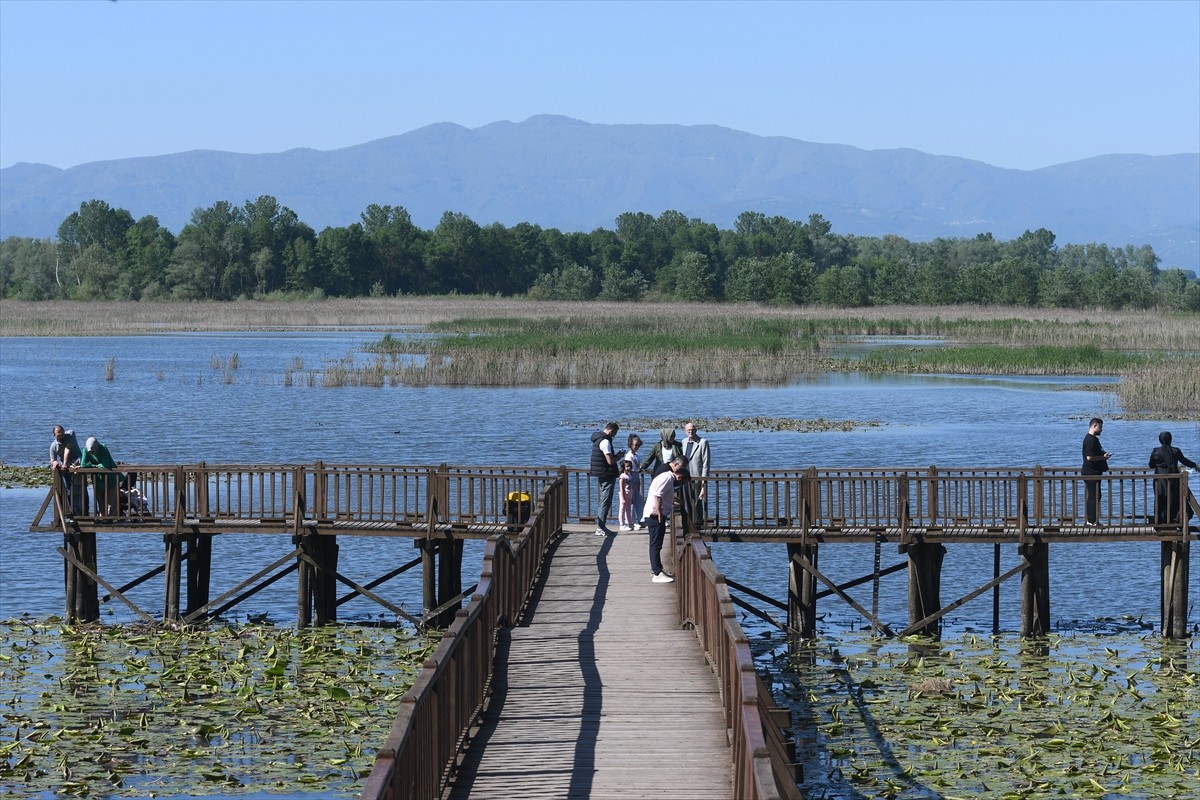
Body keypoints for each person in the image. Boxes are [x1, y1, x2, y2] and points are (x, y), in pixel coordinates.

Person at [644, 457, 689, 583]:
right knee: (656, 544)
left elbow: (663, 495)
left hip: (656, 514)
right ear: (679, 477)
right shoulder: (667, 478)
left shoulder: (667, 477)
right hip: (654, 515)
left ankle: (658, 569)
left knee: (657, 544)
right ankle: (657, 573)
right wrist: (659, 514)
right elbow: (657, 496)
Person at [1148, 431, 1197, 525]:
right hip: (1174, 479)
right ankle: (1174, 519)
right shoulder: (1175, 451)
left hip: (1159, 479)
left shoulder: (1155, 451)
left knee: (1160, 499)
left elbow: (1151, 465)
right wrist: (1195, 465)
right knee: (1174, 499)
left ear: (1160, 440)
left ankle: (1160, 520)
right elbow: (1185, 461)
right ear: (1170, 439)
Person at [590, 422, 620, 535]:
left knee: (604, 500)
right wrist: (619, 456)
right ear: (611, 430)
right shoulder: (605, 442)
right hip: (607, 474)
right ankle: (600, 527)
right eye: (615, 433)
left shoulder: (597, 439)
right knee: (605, 501)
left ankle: (601, 526)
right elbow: (610, 461)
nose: (615, 435)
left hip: (601, 473)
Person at [50, 424, 87, 516]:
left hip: (78, 464)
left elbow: (68, 448)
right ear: (54, 435)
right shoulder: (53, 446)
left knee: (81, 489)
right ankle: (73, 512)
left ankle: (84, 512)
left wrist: (65, 463)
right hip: (66, 469)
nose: (61, 436)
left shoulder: (70, 434)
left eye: (62, 434)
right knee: (69, 490)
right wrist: (56, 464)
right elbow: (52, 460)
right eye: (58, 435)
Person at [78, 436, 121, 516]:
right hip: (97, 478)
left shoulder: (103, 448)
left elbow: (105, 465)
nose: (92, 453)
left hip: (110, 476)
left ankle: (111, 518)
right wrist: (96, 466)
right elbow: (83, 465)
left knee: (111, 500)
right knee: (100, 500)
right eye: (90, 451)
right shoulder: (85, 450)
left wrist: (91, 465)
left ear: (97, 446)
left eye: (93, 451)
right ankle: (103, 516)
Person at [1081, 418, 1111, 526]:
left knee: (1096, 495)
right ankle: (1091, 521)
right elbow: (1089, 457)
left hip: (1094, 472)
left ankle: (1092, 520)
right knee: (1094, 496)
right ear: (1094, 426)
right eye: (1100, 427)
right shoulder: (1089, 440)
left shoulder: (1094, 439)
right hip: (1090, 472)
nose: (1101, 430)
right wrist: (1102, 458)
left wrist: (1103, 455)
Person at [682, 421, 711, 528]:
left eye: (693, 430)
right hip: (685, 477)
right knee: (688, 500)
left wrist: (704, 480)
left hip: (697, 476)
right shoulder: (684, 442)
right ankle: (690, 522)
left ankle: (698, 523)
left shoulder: (703, 442)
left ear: (696, 430)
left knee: (698, 501)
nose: (691, 431)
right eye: (688, 430)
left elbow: (706, 463)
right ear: (685, 431)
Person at [623, 433, 645, 529]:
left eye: (638, 445)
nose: (637, 447)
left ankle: (640, 519)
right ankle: (631, 521)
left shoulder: (636, 455)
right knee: (631, 501)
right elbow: (628, 469)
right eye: (635, 445)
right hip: (631, 478)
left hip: (636, 477)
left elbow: (637, 467)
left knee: (638, 499)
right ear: (630, 444)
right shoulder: (629, 456)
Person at [617, 459, 637, 531]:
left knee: (629, 510)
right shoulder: (622, 477)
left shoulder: (630, 476)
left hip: (629, 495)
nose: (628, 468)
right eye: (627, 466)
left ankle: (630, 523)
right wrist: (622, 498)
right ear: (623, 467)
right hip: (624, 495)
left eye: (629, 466)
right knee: (622, 510)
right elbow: (621, 488)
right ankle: (621, 525)